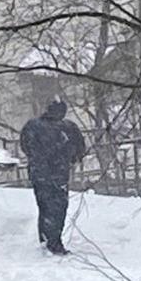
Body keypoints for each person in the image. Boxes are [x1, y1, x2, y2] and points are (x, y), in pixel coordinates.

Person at [19, 99, 85, 255]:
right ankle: (54, 243)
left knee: (44, 208)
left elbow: (24, 145)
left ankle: (45, 241)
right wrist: (69, 159)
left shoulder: (32, 126)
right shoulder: (69, 128)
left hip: (38, 174)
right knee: (58, 209)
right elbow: (80, 148)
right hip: (59, 175)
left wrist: (36, 158)